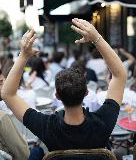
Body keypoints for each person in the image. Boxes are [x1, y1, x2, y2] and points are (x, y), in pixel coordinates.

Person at [1, 19, 127, 151]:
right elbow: (120, 75)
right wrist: (96, 38)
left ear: (57, 96)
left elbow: (7, 94)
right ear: (86, 92)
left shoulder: (47, 127)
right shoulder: (102, 123)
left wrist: (23, 55)